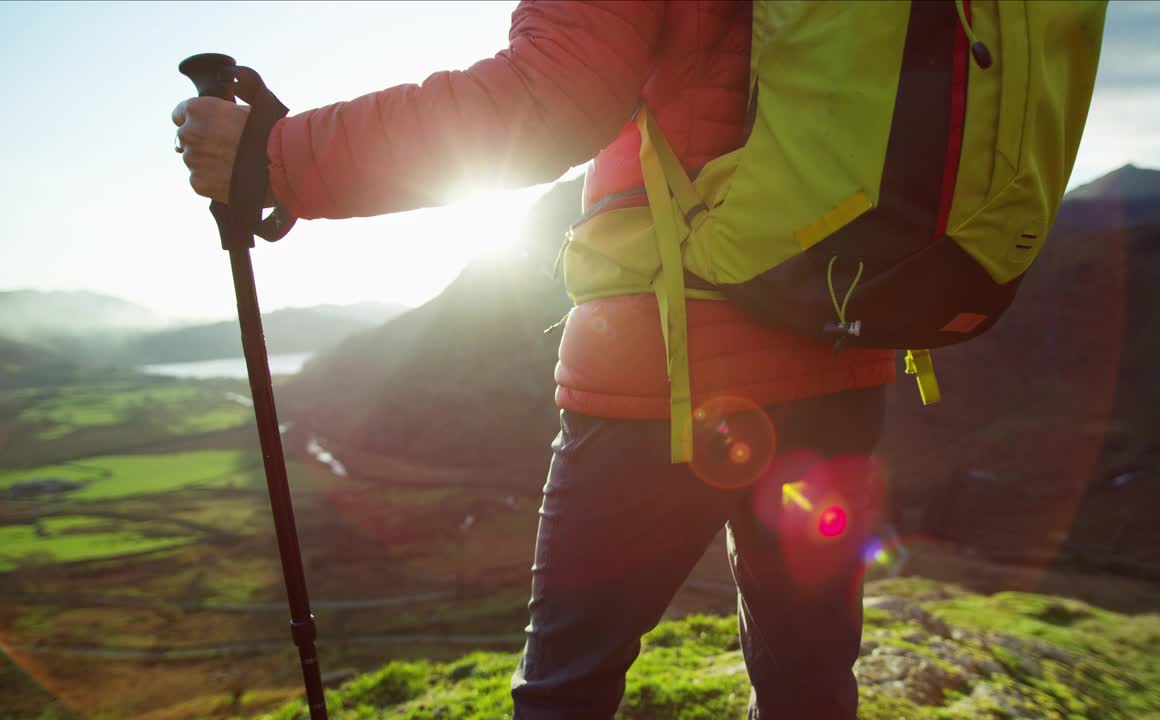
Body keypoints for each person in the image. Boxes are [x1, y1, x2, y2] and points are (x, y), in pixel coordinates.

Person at [173, 2, 896, 717]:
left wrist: (275, 156)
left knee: (566, 688)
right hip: (841, 333)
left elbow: (551, 96)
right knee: (810, 679)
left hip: (670, 367)